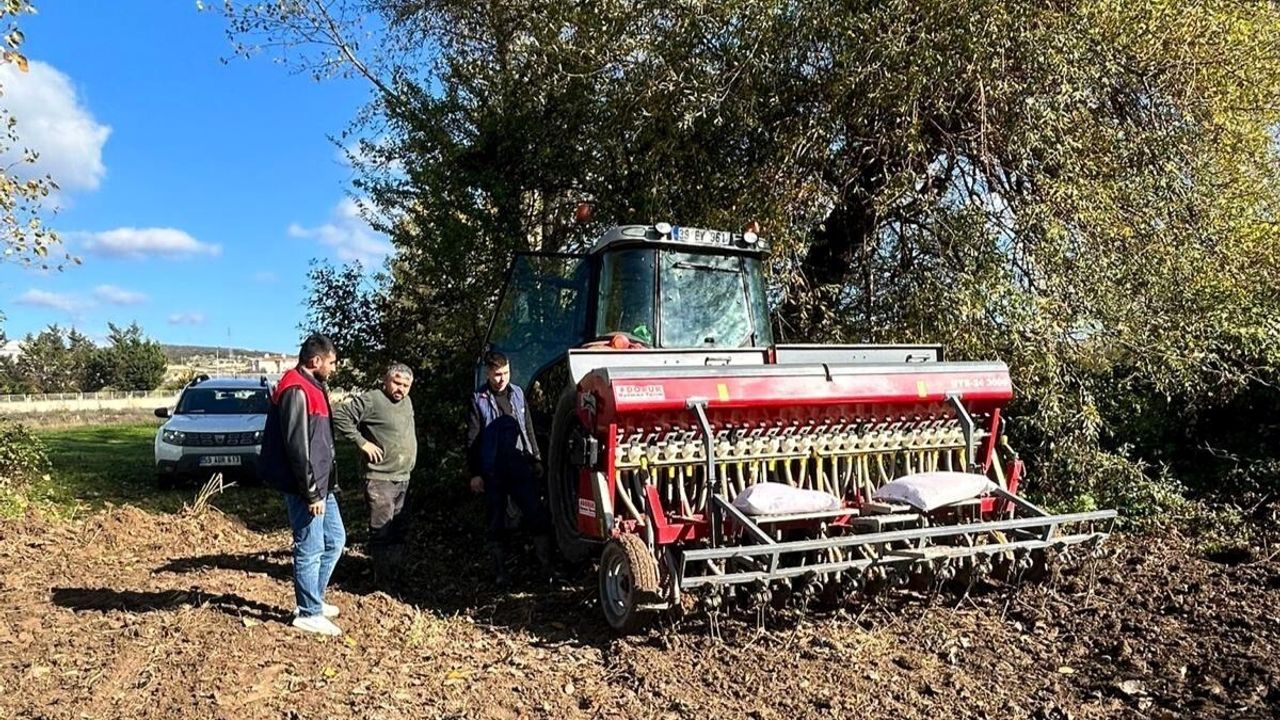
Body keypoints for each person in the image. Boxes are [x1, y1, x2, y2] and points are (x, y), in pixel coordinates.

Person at [260, 334, 345, 636]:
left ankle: (314, 599)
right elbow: (297, 447)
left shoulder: (314, 385)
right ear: (316, 361)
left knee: (335, 540)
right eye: (332, 362)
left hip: (322, 484)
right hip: (306, 487)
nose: (334, 368)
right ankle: (308, 612)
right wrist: (310, 492)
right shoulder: (295, 389)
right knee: (310, 545)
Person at [467, 350, 558, 588]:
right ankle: (500, 573)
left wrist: (536, 457)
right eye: (497, 374)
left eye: (505, 373)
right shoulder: (479, 399)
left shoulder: (517, 392)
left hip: (520, 465)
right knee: (495, 522)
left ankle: (546, 569)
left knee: (537, 516)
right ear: (488, 373)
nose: (501, 379)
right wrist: (475, 473)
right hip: (493, 469)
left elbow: (527, 427)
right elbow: (473, 437)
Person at [332, 362, 418, 589]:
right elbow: (340, 415)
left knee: (399, 528)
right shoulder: (373, 400)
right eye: (396, 383)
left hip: (403, 477)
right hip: (380, 478)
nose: (400, 389)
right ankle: (382, 582)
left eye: (406, 385)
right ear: (386, 380)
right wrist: (362, 442)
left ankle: (396, 575)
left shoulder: (407, 402)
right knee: (382, 530)